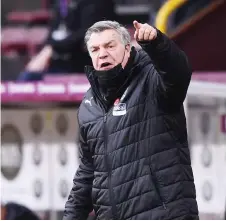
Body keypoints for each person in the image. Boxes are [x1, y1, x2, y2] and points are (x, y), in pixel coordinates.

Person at [63, 20, 199, 220]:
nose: (102, 54)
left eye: (110, 46)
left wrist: (157, 44)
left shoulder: (152, 79)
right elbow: (88, 171)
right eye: (95, 49)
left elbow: (179, 74)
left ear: (128, 48)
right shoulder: (89, 104)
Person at [17, 0, 116, 81]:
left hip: (85, 66)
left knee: (30, 78)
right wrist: (45, 51)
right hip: (59, 62)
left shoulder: (97, 3)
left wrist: (53, 48)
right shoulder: (61, 3)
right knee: (28, 78)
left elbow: (88, 35)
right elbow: (53, 32)